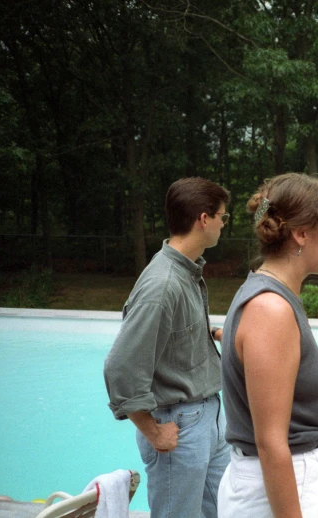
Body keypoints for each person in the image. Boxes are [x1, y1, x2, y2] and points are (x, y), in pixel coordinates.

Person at [217, 173, 318, 518]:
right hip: (294, 484)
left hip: (300, 477)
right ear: (302, 233)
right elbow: (271, 444)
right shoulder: (271, 309)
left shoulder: (275, 296)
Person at [104, 177, 232, 518]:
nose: (224, 223)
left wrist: (217, 333)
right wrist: (152, 430)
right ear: (204, 219)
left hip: (207, 417)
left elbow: (176, 334)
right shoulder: (162, 285)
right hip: (180, 425)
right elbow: (121, 367)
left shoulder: (185, 273)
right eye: (223, 216)